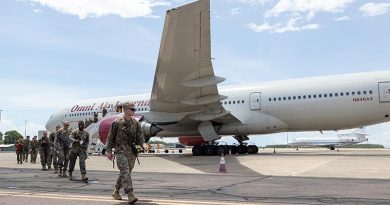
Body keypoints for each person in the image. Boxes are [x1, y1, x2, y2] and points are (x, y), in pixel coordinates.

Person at [106, 102, 147, 204]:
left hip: (131, 153)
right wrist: (109, 151)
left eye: (134, 109)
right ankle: (130, 195)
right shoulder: (117, 122)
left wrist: (143, 144)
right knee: (125, 172)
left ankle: (116, 191)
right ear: (125, 110)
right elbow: (110, 138)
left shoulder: (136, 123)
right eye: (131, 109)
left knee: (125, 173)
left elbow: (140, 137)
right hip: (120, 152)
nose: (133, 111)